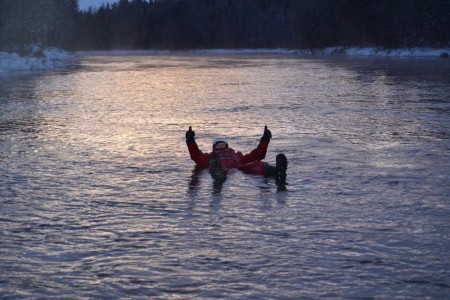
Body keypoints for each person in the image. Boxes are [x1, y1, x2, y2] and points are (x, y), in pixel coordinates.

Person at [185, 126, 288, 185]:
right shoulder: (209, 157)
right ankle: (218, 175)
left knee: (256, 164)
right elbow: (196, 155)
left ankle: (277, 170)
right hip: (220, 166)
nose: (221, 145)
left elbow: (256, 155)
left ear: (227, 146)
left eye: (223, 144)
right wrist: (190, 140)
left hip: (238, 166)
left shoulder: (236, 155)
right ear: (214, 147)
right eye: (218, 144)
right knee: (218, 167)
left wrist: (265, 139)